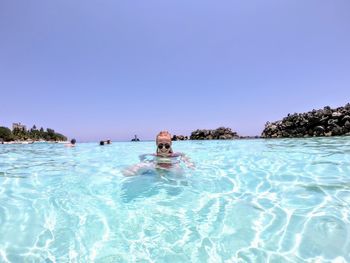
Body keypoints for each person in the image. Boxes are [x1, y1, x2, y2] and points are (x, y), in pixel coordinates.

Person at [123, 131, 194, 176]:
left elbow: (183, 155)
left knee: (179, 170)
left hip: (171, 166)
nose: (163, 148)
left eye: (167, 146)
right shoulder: (155, 155)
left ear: (170, 144)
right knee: (130, 171)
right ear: (157, 144)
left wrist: (188, 162)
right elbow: (141, 156)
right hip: (156, 166)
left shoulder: (174, 155)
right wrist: (143, 161)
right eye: (160, 145)